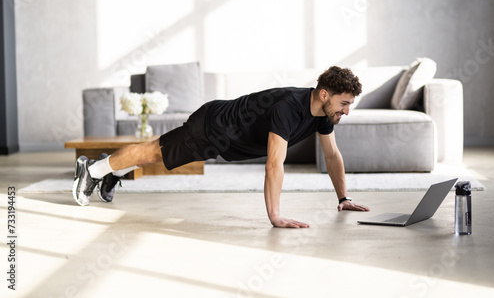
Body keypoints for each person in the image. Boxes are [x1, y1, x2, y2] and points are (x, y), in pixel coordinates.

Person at [73, 66, 370, 228]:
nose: (346, 111)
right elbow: (274, 164)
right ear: (323, 94)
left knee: (159, 158)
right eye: (344, 103)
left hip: (226, 139)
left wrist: (343, 197)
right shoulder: (288, 108)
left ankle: (110, 170)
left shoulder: (322, 115)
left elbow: (331, 155)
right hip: (212, 126)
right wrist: (275, 216)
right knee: (155, 153)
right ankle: (93, 169)